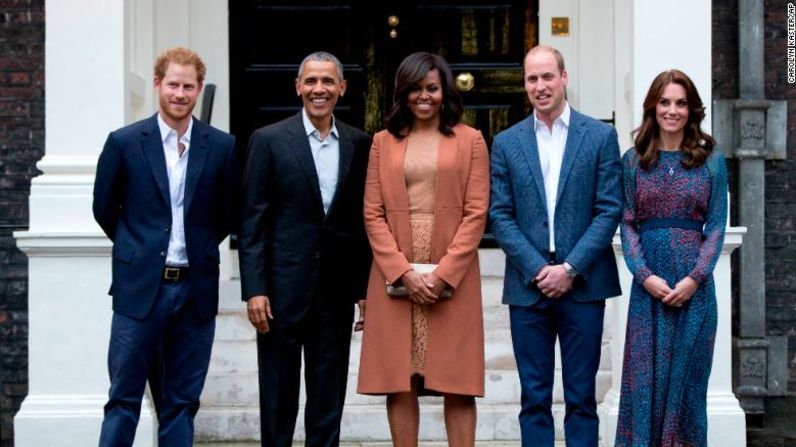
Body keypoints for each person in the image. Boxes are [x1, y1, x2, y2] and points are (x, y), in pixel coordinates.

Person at [92, 47, 238, 446]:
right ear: (158, 85)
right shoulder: (124, 143)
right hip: (139, 290)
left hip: (194, 291)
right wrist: (138, 249)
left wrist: (200, 246)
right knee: (123, 399)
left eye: (188, 86)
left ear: (198, 89)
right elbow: (104, 207)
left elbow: (227, 214)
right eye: (173, 84)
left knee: (181, 403)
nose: (180, 93)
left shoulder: (221, 147)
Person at [488, 45, 623, 446]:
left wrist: (569, 269)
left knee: (582, 398)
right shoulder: (507, 142)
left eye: (548, 76)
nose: (541, 86)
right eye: (533, 78)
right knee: (534, 398)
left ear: (564, 78)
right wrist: (537, 269)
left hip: (584, 286)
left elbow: (608, 209)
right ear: (524, 84)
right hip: (528, 289)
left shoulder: (599, 136)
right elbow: (500, 215)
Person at [238, 51, 372, 447]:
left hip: (334, 294)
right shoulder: (268, 140)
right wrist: (254, 288)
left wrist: (363, 290)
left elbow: (361, 224)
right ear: (298, 86)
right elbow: (252, 221)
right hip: (280, 294)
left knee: (327, 403)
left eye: (328, 81)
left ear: (342, 88)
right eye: (311, 81)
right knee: (278, 402)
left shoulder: (358, 143)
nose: (319, 89)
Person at [357, 51, 489, 447]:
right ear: (403, 94)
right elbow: (372, 213)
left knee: (458, 379)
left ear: (444, 91)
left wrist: (444, 273)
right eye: (415, 89)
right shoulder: (383, 142)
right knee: (401, 378)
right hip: (395, 266)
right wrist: (402, 272)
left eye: (431, 88)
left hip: (454, 268)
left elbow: (476, 212)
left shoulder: (471, 140)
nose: (424, 97)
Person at [615, 70, 727, 447]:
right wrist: (644, 275)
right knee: (644, 387)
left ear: (692, 108)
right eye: (665, 102)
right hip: (649, 292)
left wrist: (695, 278)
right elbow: (628, 223)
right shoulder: (633, 161)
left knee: (686, 389)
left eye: (680, 102)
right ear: (653, 106)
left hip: (694, 294)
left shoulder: (712, 160)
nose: (672, 110)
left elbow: (716, 226)